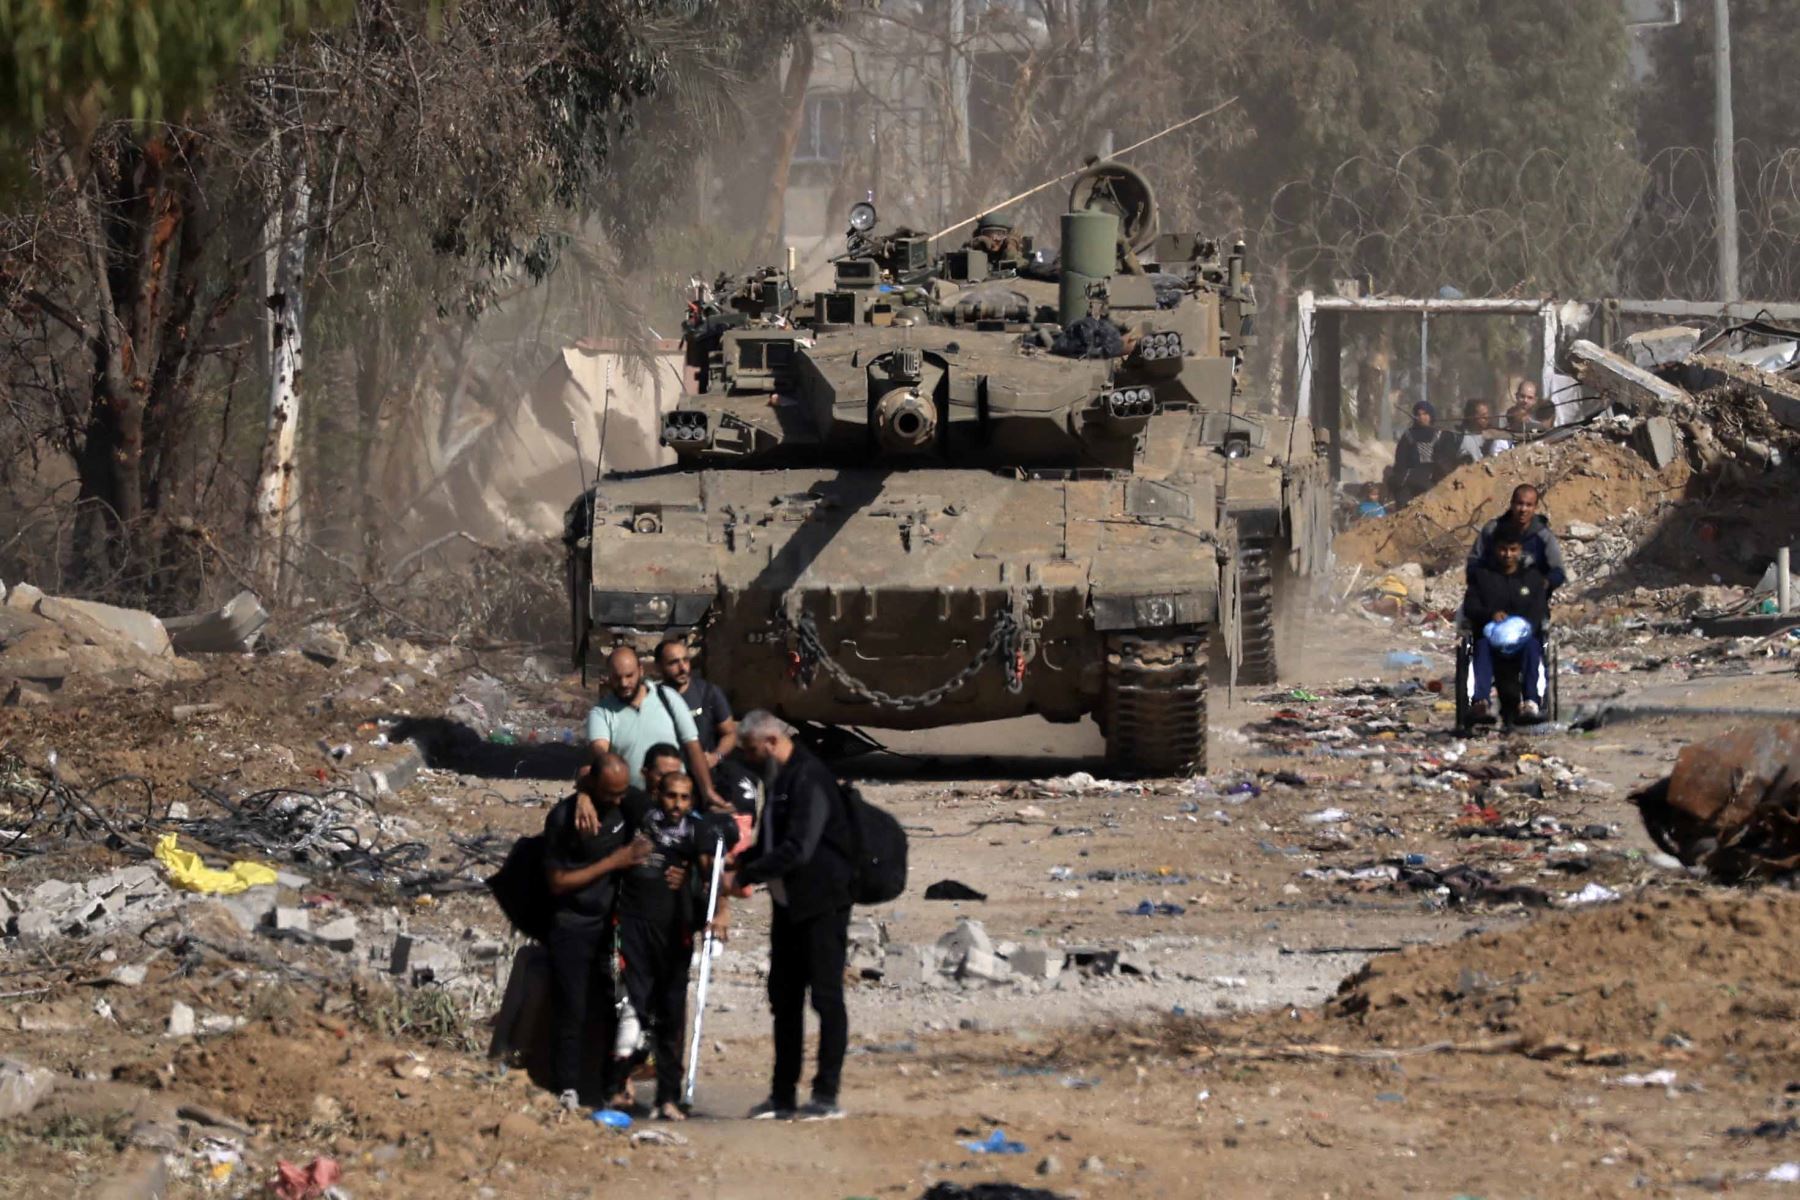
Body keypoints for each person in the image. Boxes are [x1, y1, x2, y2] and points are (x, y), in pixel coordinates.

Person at [728, 711, 854, 1122]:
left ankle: (826, 1095)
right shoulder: (778, 779)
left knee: (826, 998)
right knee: (784, 999)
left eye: (749, 751)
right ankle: (782, 1096)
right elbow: (769, 841)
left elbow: (799, 848)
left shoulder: (808, 777)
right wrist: (738, 862)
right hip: (788, 907)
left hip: (821, 906)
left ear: (769, 742)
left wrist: (747, 873)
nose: (746, 759)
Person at [610, 770, 730, 1120]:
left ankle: (667, 1097)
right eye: (671, 796)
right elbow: (592, 773)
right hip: (634, 926)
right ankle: (618, 1086)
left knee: (670, 1015)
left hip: (673, 933)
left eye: (684, 798)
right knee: (631, 1008)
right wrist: (585, 797)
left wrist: (721, 912)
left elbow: (713, 874)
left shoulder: (696, 832)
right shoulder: (640, 812)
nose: (676, 805)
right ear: (657, 793)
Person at [542, 753, 652, 1110]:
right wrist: (613, 862)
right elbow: (558, 882)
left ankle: (608, 1086)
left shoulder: (625, 802)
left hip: (610, 925)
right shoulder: (564, 819)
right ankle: (567, 1088)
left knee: (611, 1006)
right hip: (572, 925)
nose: (619, 801)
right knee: (571, 1007)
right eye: (610, 795)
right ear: (593, 788)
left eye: (622, 793)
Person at [582, 645, 722, 825]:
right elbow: (600, 752)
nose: (624, 683)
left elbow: (692, 746)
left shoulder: (667, 698)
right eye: (617, 678)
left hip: (675, 804)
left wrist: (708, 792)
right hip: (631, 809)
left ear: (640, 670)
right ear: (609, 677)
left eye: (629, 676)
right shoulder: (601, 713)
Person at [1462, 530, 1549, 723]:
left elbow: (1539, 611)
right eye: (1503, 549)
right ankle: (1481, 702)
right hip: (1490, 638)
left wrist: (1520, 627)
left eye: (1512, 549)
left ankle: (1531, 702)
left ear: (1520, 551)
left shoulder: (1532, 579)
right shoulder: (1482, 577)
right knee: (1481, 646)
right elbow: (1471, 607)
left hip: (1523, 640)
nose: (1507, 554)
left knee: (1534, 646)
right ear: (1495, 550)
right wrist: (1490, 615)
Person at [1466, 483, 1567, 593]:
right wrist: (1484, 581)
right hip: (1493, 595)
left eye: (1529, 505)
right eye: (1519, 503)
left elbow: (1558, 571)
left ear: (1535, 507)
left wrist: (1545, 583)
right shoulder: (1492, 530)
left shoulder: (1544, 536)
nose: (1523, 509)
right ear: (1512, 504)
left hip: (1530, 598)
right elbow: (1474, 561)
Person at [655, 637, 738, 766]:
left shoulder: (709, 693)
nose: (683, 668)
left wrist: (716, 756)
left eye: (686, 660)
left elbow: (730, 733)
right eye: (674, 663)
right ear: (659, 667)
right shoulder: (652, 699)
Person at [1390, 401, 1458, 503]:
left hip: (1434, 478)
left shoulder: (1442, 435)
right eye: (1418, 414)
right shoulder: (1408, 436)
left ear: (1431, 415)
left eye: (1425, 414)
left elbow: (1448, 460)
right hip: (1411, 478)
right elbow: (1400, 461)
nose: (1422, 417)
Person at [1457, 398, 1493, 464]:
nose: (1487, 418)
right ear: (1471, 417)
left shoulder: (1492, 436)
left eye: (1487, 414)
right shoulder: (1462, 439)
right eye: (1483, 416)